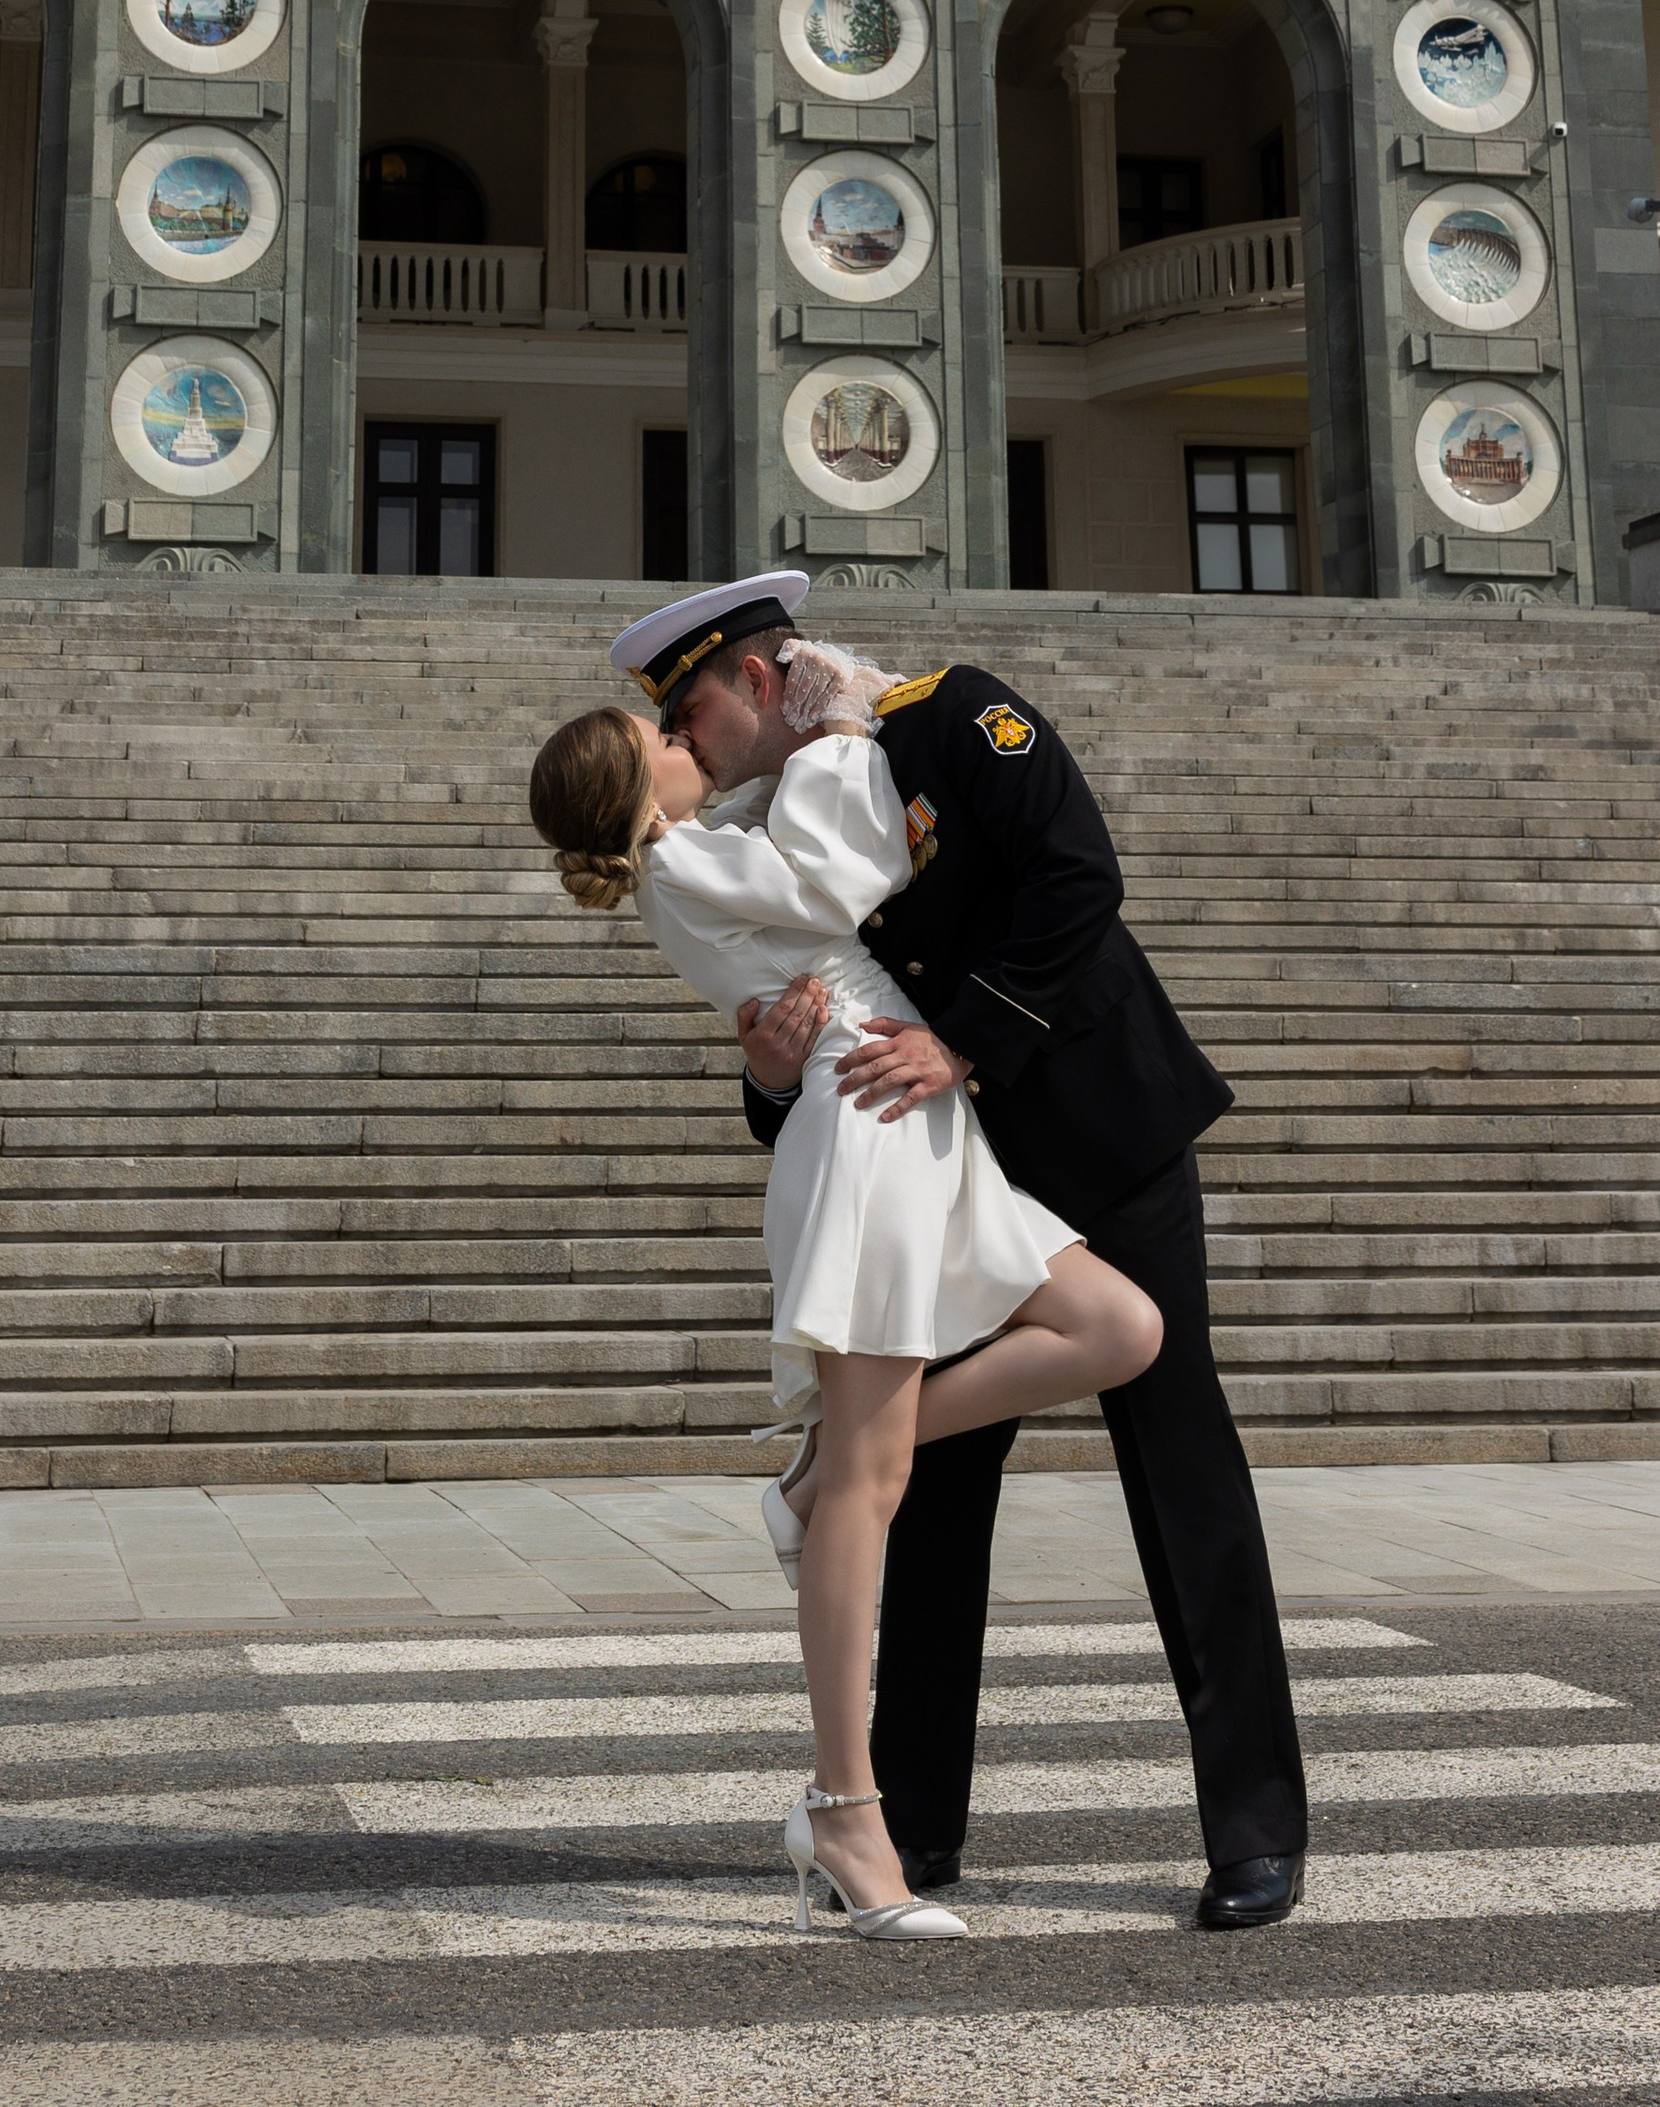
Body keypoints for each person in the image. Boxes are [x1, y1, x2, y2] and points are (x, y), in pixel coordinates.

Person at [636, 571, 1308, 1933]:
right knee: (930, 1493)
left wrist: (970, 1038)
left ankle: (1252, 1823)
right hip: (942, 1174)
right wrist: (766, 1073)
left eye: (696, 706)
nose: (688, 739)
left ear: (761, 681)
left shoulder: (948, 722)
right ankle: (917, 1826)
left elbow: (1078, 874)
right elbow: (815, 1026)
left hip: (1095, 1131)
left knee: (1182, 1466)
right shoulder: (760, 829)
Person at [528, 644, 1161, 1943]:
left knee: (1115, 1325)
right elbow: (858, 863)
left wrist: (816, 737)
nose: (680, 739)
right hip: (869, 1127)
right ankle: (846, 1813)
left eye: (683, 719)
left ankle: (813, 1479)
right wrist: (835, 727)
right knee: (875, 1496)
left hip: (908, 1114)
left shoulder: (705, 851)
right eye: (656, 737)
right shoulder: (689, 860)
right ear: (636, 794)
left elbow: (819, 867)